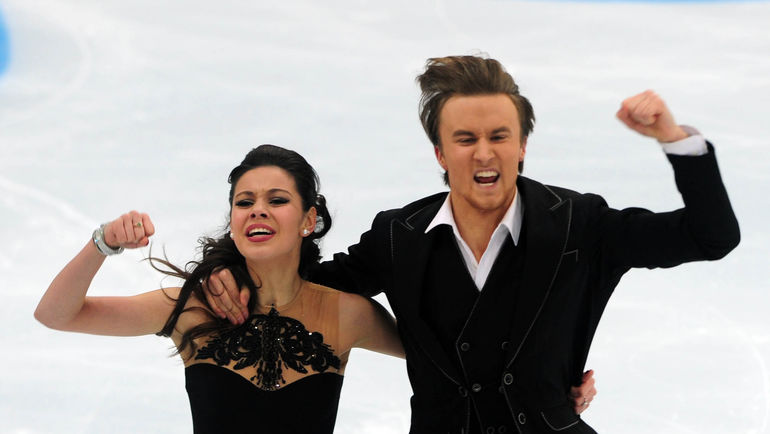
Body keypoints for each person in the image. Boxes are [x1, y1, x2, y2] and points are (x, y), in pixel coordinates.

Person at [206, 56, 740, 433]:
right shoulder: (399, 237)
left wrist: (675, 140)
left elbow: (711, 236)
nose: (484, 154)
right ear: (440, 153)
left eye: (499, 136)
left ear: (522, 145)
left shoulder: (580, 225)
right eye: (465, 139)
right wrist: (226, 266)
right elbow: (297, 287)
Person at [34, 145, 406, 434]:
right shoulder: (193, 308)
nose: (258, 210)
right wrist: (103, 242)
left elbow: (433, 351)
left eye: (277, 200)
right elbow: (55, 315)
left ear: (308, 220)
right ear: (233, 221)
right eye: (245, 202)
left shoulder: (346, 313)